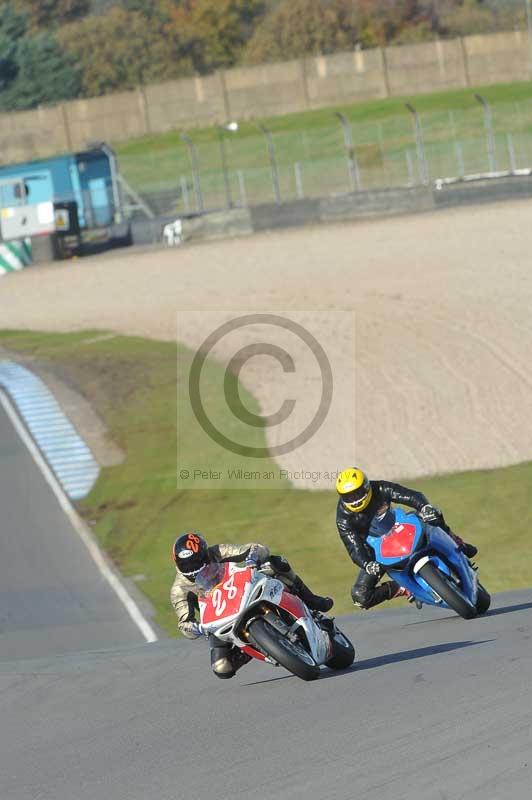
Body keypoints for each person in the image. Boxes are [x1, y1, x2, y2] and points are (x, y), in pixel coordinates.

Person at [171, 531, 333, 679]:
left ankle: (310, 599)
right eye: (187, 565)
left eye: (197, 561)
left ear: (205, 554)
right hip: (219, 618)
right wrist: (196, 628)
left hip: (243, 590)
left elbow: (256, 548)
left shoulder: (218, 552)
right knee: (221, 668)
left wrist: (253, 557)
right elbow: (184, 623)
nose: (193, 569)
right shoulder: (179, 589)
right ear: (178, 564)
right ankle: (255, 648)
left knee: (275, 562)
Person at [335, 467, 478, 610]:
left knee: (433, 513)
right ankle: (402, 588)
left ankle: (457, 543)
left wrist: (424, 507)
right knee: (360, 596)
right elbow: (353, 548)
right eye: (348, 496)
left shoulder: (378, 488)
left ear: (366, 486)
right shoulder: (343, 518)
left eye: (357, 493)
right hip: (377, 551)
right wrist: (367, 564)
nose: (354, 500)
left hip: (400, 526)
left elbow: (409, 495)